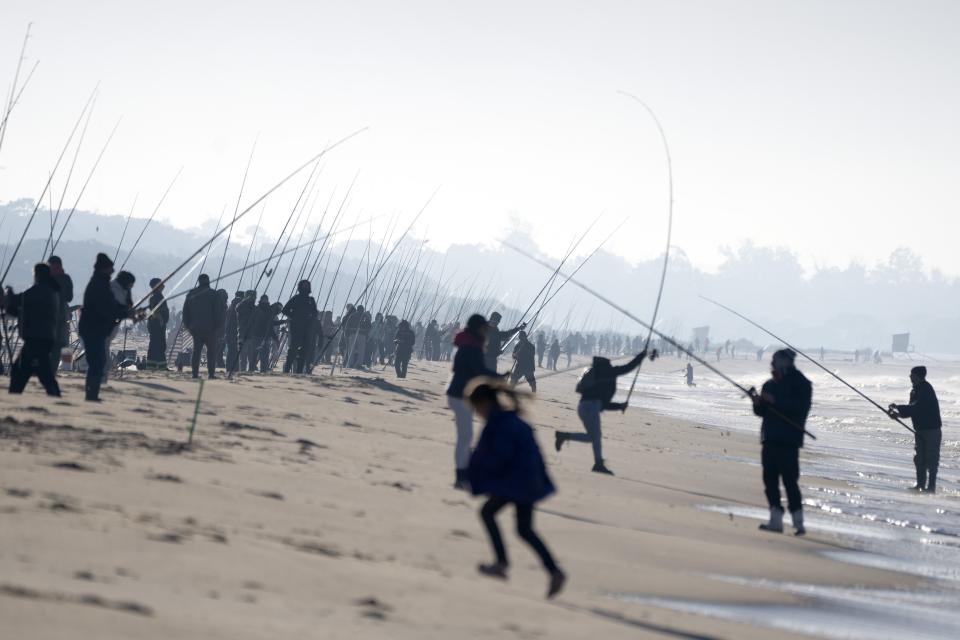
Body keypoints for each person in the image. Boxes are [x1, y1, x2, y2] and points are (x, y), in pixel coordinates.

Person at [465, 377, 565, 599]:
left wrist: (479, 477)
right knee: (524, 530)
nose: (476, 413)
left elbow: (495, 456)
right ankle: (555, 572)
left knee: (487, 512)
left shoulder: (499, 424)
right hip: (527, 481)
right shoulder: (512, 421)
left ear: (485, 403)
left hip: (517, 482)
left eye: (476, 408)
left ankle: (502, 563)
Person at [555, 349, 650, 475]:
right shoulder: (606, 372)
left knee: (592, 437)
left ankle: (565, 437)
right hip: (591, 407)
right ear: (605, 364)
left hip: (584, 407)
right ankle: (598, 464)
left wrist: (619, 406)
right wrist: (640, 357)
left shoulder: (596, 374)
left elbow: (602, 404)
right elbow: (628, 367)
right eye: (609, 363)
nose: (611, 365)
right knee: (595, 438)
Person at [751, 349, 812, 535]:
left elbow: (800, 409)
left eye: (776, 360)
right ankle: (775, 520)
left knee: (790, 481)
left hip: (789, 441)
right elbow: (762, 412)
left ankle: (798, 522)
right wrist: (757, 402)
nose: (772, 363)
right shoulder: (769, 384)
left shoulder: (802, 383)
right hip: (769, 438)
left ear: (787, 361)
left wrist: (775, 401)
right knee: (769, 480)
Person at [446, 314, 501, 489]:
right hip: (459, 395)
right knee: (465, 436)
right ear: (478, 328)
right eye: (484, 328)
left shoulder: (468, 342)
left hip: (461, 395)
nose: (486, 331)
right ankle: (461, 477)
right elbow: (479, 370)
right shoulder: (471, 346)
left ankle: (464, 475)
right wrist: (498, 378)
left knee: (466, 436)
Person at [78, 253, 131, 401]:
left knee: (98, 362)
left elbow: (111, 306)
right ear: (103, 269)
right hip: (93, 329)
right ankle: (91, 395)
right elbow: (106, 309)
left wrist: (124, 312)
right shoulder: (98, 285)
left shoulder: (102, 283)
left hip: (97, 329)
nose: (113, 271)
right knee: (97, 363)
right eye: (110, 268)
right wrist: (124, 313)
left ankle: (92, 393)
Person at [5, 263, 62, 396]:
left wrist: (9, 294)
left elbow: (20, 300)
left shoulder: (41, 289)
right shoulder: (48, 289)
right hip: (42, 337)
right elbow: (24, 308)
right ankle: (15, 394)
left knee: (39, 372)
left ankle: (54, 395)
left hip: (38, 338)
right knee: (24, 369)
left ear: (38, 275)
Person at [888, 366, 942, 493]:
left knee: (932, 459)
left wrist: (899, 409)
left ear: (917, 376)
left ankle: (931, 487)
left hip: (932, 430)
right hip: (920, 430)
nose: (910, 377)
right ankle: (920, 485)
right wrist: (897, 413)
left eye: (911, 374)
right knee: (920, 459)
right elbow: (912, 411)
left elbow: (917, 408)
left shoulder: (926, 389)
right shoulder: (915, 391)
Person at [182, 274, 222, 379]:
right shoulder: (214, 294)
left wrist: (189, 326)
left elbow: (185, 313)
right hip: (210, 329)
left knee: (196, 352)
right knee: (211, 352)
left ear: (199, 281)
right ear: (208, 281)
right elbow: (218, 312)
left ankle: (195, 374)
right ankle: (211, 374)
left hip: (195, 328)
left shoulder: (191, 294)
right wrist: (217, 327)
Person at [282, 280, 319, 374]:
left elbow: (315, 313)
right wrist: (294, 317)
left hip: (307, 329)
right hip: (296, 328)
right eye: (304, 286)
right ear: (300, 287)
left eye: (307, 286)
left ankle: (299, 372)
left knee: (304, 351)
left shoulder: (311, 300)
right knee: (293, 350)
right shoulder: (296, 298)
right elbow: (285, 310)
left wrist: (311, 318)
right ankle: (286, 370)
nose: (306, 287)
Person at [46, 256, 73, 373]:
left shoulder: (45, 279)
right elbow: (69, 297)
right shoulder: (66, 278)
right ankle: (66, 369)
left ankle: (51, 370)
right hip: (63, 316)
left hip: (49, 317)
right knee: (65, 344)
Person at [146, 278, 169, 369]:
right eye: (161, 283)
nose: (163, 285)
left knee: (157, 345)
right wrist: (160, 320)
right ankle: (158, 366)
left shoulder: (157, 296)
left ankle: (156, 366)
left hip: (157, 324)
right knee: (159, 345)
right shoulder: (156, 297)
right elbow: (154, 311)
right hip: (157, 325)